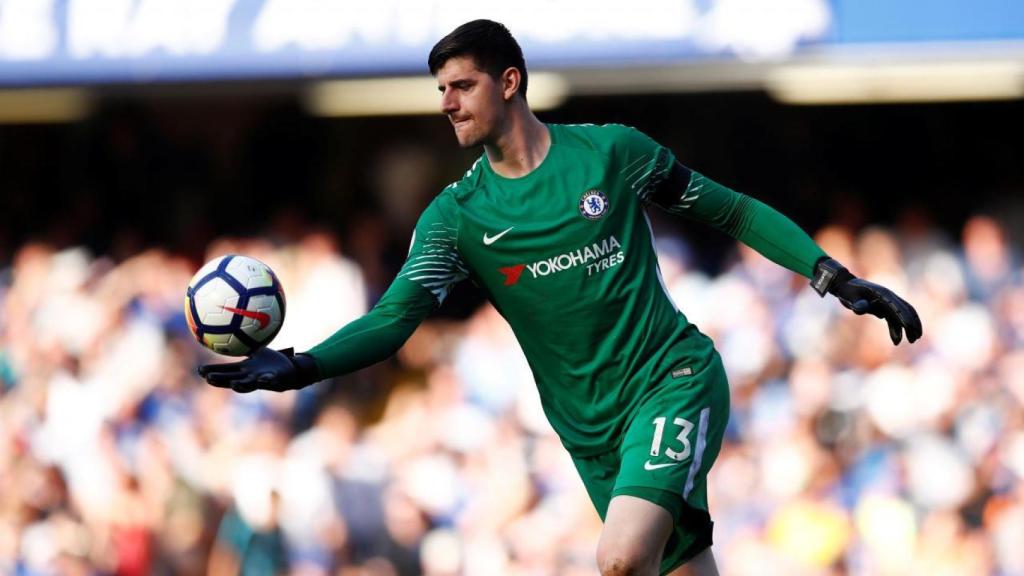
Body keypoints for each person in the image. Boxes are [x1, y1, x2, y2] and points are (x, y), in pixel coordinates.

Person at [199, 19, 922, 576]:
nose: (447, 103)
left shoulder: (611, 154)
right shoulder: (456, 218)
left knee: (620, 558)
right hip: (588, 429)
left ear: (510, 82)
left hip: (670, 380)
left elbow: (729, 210)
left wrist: (832, 275)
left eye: (462, 86)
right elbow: (394, 320)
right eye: (441, 90)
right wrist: (303, 366)